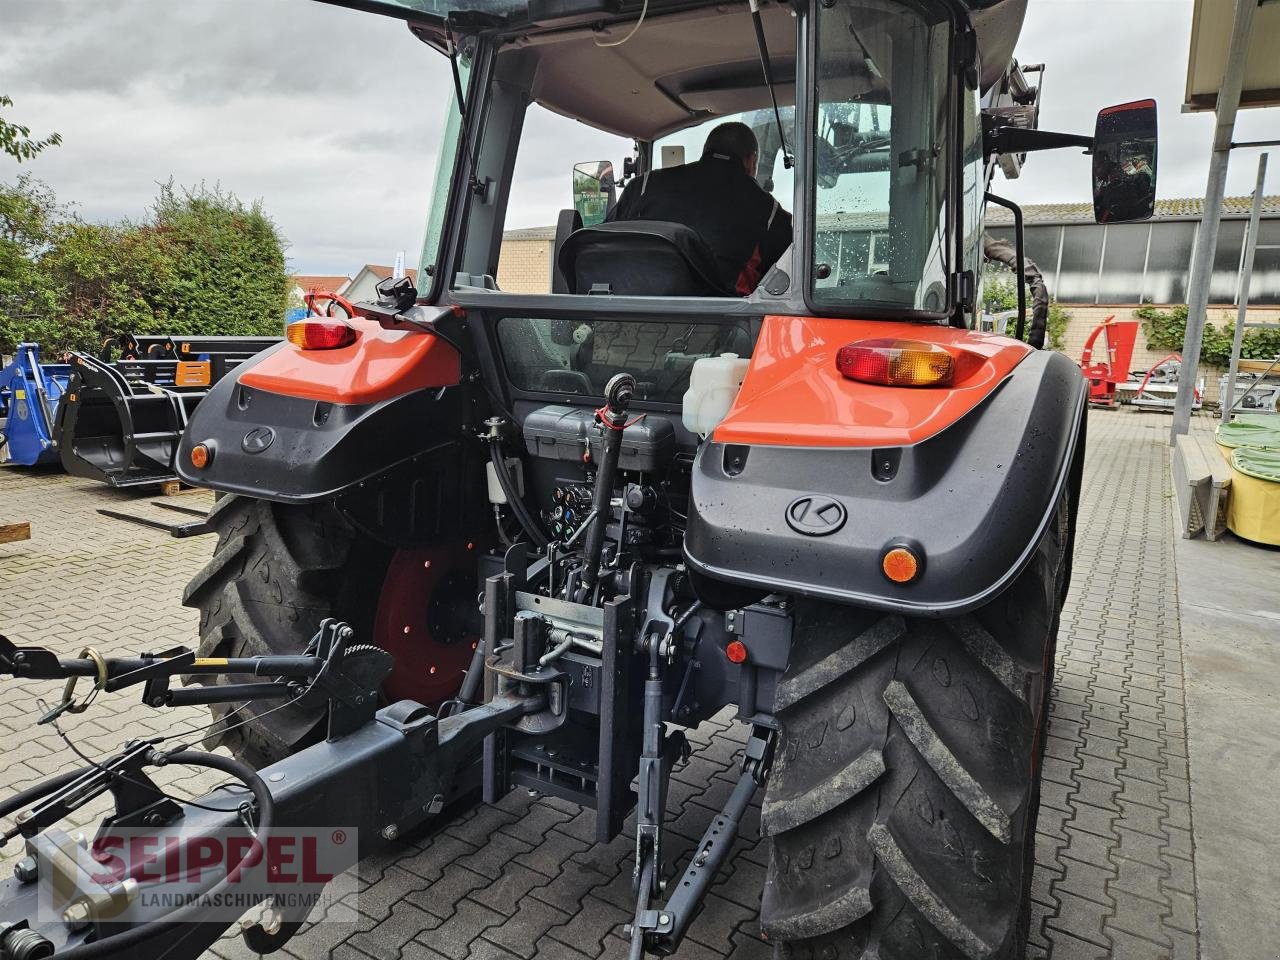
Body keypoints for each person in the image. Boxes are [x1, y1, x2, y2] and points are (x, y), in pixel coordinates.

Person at [607, 121, 792, 295]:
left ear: (705, 152)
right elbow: (786, 278)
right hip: (726, 323)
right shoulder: (770, 211)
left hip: (634, 311)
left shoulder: (643, 186)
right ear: (752, 160)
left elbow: (605, 241)